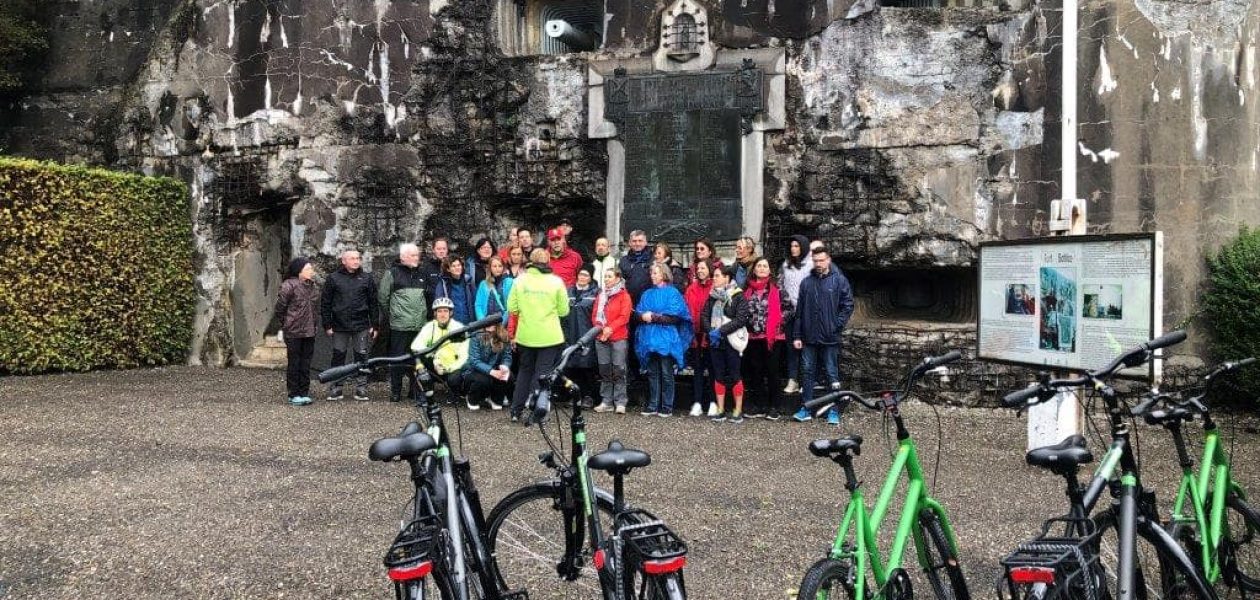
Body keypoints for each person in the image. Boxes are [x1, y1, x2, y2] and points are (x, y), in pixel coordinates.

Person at [792, 245, 855, 425]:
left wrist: (836, 324)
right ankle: (806, 408)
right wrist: (797, 335)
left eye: (821, 260)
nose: (818, 263)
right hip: (809, 336)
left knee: (831, 373)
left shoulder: (839, 281)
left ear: (828, 260)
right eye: (816, 260)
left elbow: (848, 305)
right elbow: (799, 312)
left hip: (830, 337)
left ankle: (833, 411)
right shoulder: (806, 283)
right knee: (807, 372)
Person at [507, 248, 570, 421]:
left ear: (531, 261)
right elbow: (564, 311)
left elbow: (512, 307)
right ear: (548, 261)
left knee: (524, 371)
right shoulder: (556, 282)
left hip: (526, 335)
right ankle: (536, 409)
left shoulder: (520, 281)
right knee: (542, 375)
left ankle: (515, 410)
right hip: (549, 336)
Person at [634, 263, 692, 417]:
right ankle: (653, 404)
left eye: (656, 273)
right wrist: (642, 316)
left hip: (666, 338)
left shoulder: (673, 293)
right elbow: (637, 313)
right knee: (652, 372)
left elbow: (674, 317)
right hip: (649, 338)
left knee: (666, 372)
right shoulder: (646, 294)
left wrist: (652, 316)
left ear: (664, 274)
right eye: (652, 272)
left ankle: (667, 406)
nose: (652, 275)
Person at [319, 250, 377, 401]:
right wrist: (327, 324)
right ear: (343, 261)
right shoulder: (333, 278)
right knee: (338, 357)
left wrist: (375, 325)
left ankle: (361, 388)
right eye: (352, 258)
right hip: (339, 325)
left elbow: (373, 303)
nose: (356, 261)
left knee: (362, 357)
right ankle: (336, 388)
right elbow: (325, 303)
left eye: (358, 258)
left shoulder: (366, 278)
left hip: (361, 325)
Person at [378, 243, 430, 403]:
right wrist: (394, 315)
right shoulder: (392, 273)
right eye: (413, 255)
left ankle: (415, 390)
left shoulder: (422, 273)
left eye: (417, 255)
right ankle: (396, 391)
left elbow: (426, 297)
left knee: (418, 360)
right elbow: (383, 297)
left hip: (419, 325)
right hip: (400, 326)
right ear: (403, 257)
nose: (417, 258)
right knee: (397, 361)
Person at [702, 265, 750, 423]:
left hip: (731, 341)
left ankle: (738, 409)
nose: (713, 279)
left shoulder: (738, 296)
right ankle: (720, 409)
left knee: (735, 374)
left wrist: (720, 331)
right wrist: (711, 332)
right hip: (716, 342)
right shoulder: (712, 296)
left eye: (717, 276)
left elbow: (741, 318)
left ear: (726, 278)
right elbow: (704, 315)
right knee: (718, 375)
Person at [741, 257, 787, 420]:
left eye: (764, 266)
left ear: (769, 270)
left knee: (773, 372)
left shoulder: (777, 288)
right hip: (753, 337)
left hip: (773, 337)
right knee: (756, 372)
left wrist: (779, 320)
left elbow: (789, 307)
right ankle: (759, 405)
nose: (761, 268)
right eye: (759, 266)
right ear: (754, 270)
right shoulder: (747, 290)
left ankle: (775, 406)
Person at [410, 297, 469, 406]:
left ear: (451, 313)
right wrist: (434, 360)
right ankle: (424, 396)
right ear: (435, 313)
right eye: (439, 311)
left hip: (452, 367)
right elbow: (416, 346)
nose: (442, 314)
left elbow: (465, 355)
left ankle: (454, 394)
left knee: (455, 378)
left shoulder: (458, 328)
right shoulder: (430, 326)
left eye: (445, 311)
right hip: (435, 364)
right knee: (418, 361)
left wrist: (449, 368)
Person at [276, 257, 320, 406]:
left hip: (309, 330)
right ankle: (293, 393)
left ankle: (304, 391)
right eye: (308, 269)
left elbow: (315, 308)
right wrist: (286, 324)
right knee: (294, 362)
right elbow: (280, 307)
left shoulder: (313, 287)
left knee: (306, 362)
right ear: (299, 271)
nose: (311, 272)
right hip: (294, 330)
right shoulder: (288, 286)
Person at [592, 267, 632, 414]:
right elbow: (595, 315)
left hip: (618, 337)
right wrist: (601, 329)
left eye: (610, 276)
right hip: (601, 337)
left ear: (617, 278)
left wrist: (610, 328)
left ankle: (620, 401)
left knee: (619, 370)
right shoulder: (601, 296)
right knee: (604, 370)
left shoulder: (624, 296)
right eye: (605, 277)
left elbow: (624, 316)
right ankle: (606, 401)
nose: (607, 279)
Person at [450, 321, 513, 411]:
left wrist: (505, 366)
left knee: (509, 376)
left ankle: (494, 398)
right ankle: (472, 399)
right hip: (474, 370)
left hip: (495, 369)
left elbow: (507, 356)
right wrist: (491, 371)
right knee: (483, 380)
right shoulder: (476, 336)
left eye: (493, 322)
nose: (490, 324)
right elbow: (474, 361)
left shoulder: (503, 336)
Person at [683, 259, 718, 417]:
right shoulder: (691, 288)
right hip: (695, 333)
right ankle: (697, 402)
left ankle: (713, 402)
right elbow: (686, 308)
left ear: (710, 269)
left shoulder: (715, 287)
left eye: (703, 268)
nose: (700, 270)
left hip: (710, 333)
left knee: (712, 369)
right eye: (698, 268)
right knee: (697, 369)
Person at [562, 267, 600, 405]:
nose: (583, 277)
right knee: (570, 367)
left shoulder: (595, 292)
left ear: (590, 278)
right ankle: (573, 396)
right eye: (581, 274)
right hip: (569, 333)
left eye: (586, 275)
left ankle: (588, 396)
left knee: (587, 366)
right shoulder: (569, 291)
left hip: (586, 334)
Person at [779, 235, 810, 395]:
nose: (793, 249)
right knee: (791, 348)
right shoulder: (786, 265)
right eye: (792, 246)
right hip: (790, 312)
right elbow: (780, 285)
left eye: (797, 246)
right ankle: (793, 380)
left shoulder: (811, 265)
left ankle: (807, 380)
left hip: (807, 312)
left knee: (807, 347)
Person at [434, 255, 476, 324]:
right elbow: (439, 306)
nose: (457, 268)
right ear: (448, 269)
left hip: (469, 324)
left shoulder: (468, 281)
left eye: (459, 265)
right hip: (452, 325)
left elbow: (474, 301)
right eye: (453, 266)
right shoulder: (443, 284)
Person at [475, 256, 515, 322]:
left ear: (503, 268)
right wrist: (483, 322)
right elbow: (478, 305)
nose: (497, 268)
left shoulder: (509, 282)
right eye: (494, 266)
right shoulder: (483, 284)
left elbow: (511, 306)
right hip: (487, 322)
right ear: (490, 268)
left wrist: (503, 322)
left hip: (504, 321)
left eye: (500, 266)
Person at [618, 229, 654, 304]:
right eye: (634, 241)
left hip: (649, 301)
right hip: (629, 302)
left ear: (645, 242)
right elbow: (619, 282)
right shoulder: (623, 261)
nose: (637, 244)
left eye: (640, 241)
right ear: (629, 243)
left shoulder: (654, 260)